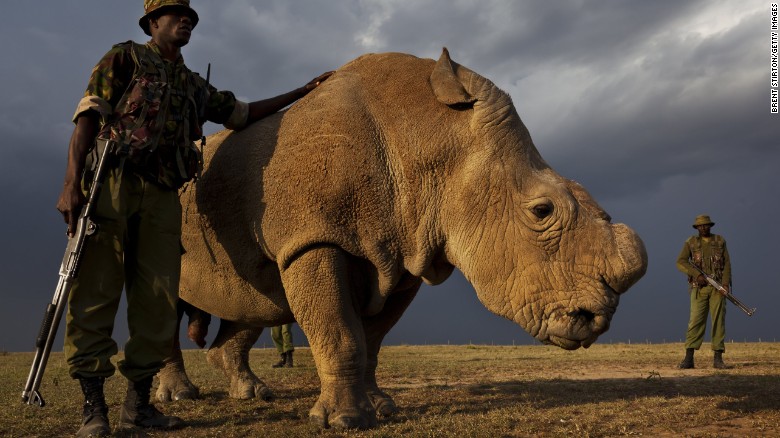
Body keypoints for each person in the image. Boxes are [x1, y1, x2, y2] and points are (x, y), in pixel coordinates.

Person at [56, 1, 332, 436]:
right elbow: (88, 116)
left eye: (190, 16)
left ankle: (138, 408)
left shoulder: (193, 85)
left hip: (166, 196)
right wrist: (72, 182)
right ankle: (94, 410)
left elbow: (242, 113)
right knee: (96, 291)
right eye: (175, 14)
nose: (185, 20)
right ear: (153, 23)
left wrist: (301, 91)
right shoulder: (124, 57)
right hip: (112, 183)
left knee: (159, 300)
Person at [675, 214, 732, 370]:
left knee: (718, 321)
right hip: (698, 288)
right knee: (695, 321)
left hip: (718, 287)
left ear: (710, 226)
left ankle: (718, 359)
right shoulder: (691, 242)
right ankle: (688, 359)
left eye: (706, 225)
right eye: (700, 226)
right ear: (696, 228)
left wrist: (726, 284)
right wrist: (697, 275)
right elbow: (681, 261)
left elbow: (727, 264)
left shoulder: (720, 241)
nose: (703, 228)